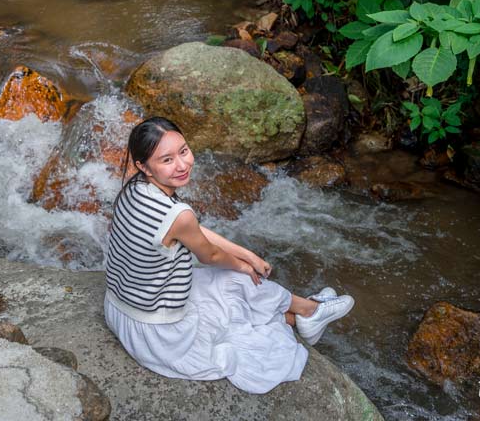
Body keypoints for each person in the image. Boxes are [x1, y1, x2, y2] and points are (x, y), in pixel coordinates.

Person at [103, 116, 354, 394]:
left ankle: (306, 312)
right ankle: (309, 312)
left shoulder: (134, 189)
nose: (182, 165)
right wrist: (244, 266)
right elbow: (209, 254)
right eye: (167, 160)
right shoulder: (177, 216)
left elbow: (192, 231)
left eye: (183, 151)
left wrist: (247, 255)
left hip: (121, 310)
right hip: (159, 334)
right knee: (237, 279)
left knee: (232, 283)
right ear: (144, 166)